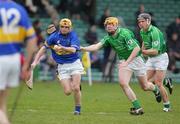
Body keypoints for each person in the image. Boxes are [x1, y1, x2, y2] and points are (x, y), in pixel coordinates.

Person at [81, 17, 161, 115]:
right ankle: (138, 108)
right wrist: (83, 48)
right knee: (123, 83)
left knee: (144, 86)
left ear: (116, 25)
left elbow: (136, 48)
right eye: (107, 25)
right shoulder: (108, 38)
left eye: (111, 24)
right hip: (124, 61)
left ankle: (156, 89)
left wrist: (127, 62)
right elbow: (96, 46)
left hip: (136, 59)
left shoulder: (124, 33)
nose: (109, 26)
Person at [30, 18, 84, 115]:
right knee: (67, 92)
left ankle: (77, 110)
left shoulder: (73, 35)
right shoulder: (53, 37)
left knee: (76, 88)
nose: (64, 29)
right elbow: (43, 49)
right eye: (62, 27)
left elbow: (73, 50)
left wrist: (61, 47)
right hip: (62, 66)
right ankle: (75, 85)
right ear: (60, 27)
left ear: (70, 28)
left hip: (74, 63)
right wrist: (35, 61)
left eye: (67, 27)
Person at [0, 0, 37, 124]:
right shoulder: (20, 10)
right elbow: (32, 41)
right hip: (14, 60)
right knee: (2, 104)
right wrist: (26, 66)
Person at [137, 13, 171, 112]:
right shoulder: (142, 31)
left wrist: (142, 51)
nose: (140, 23)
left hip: (161, 58)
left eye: (142, 21)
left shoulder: (154, 32)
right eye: (139, 22)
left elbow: (155, 51)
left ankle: (167, 106)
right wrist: (142, 51)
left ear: (148, 21)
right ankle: (158, 89)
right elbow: (144, 41)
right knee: (144, 84)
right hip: (151, 59)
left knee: (158, 83)